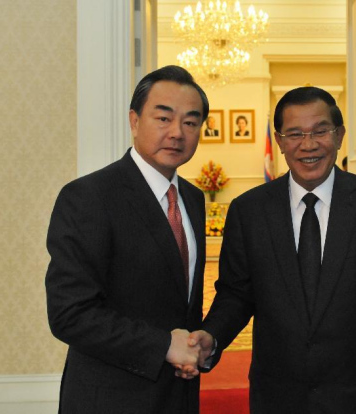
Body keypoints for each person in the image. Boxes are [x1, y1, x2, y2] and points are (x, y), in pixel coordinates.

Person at [189, 86, 356, 413]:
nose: (309, 144)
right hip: (278, 398)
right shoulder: (249, 211)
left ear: (340, 135)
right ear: (280, 141)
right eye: (295, 134)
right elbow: (236, 294)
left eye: (320, 131)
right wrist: (211, 336)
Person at [45, 65, 208, 414]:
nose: (177, 133)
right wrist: (164, 345)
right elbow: (70, 313)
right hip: (110, 398)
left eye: (191, 122)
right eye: (163, 119)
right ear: (134, 121)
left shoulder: (193, 199)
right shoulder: (89, 196)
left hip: (179, 396)